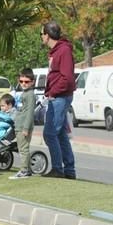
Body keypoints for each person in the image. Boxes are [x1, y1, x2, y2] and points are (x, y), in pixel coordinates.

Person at [41, 21, 76, 179]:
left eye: (41, 34)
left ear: (47, 35)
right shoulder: (57, 51)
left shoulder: (63, 51)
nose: (41, 37)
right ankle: (69, 170)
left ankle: (58, 169)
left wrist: (53, 92)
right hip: (57, 96)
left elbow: (66, 78)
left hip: (60, 97)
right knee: (61, 134)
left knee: (49, 133)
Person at [10, 68, 36, 179]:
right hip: (20, 124)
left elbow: (30, 112)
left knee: (23, 149)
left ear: (32, 82)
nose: (23, 84)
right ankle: (27, 170)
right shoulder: (25, 93)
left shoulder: (30, 95)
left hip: (23, 126)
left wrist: (26, 128)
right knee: (22, 148)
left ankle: (24, 170)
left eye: (26, 82)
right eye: (21, 81)